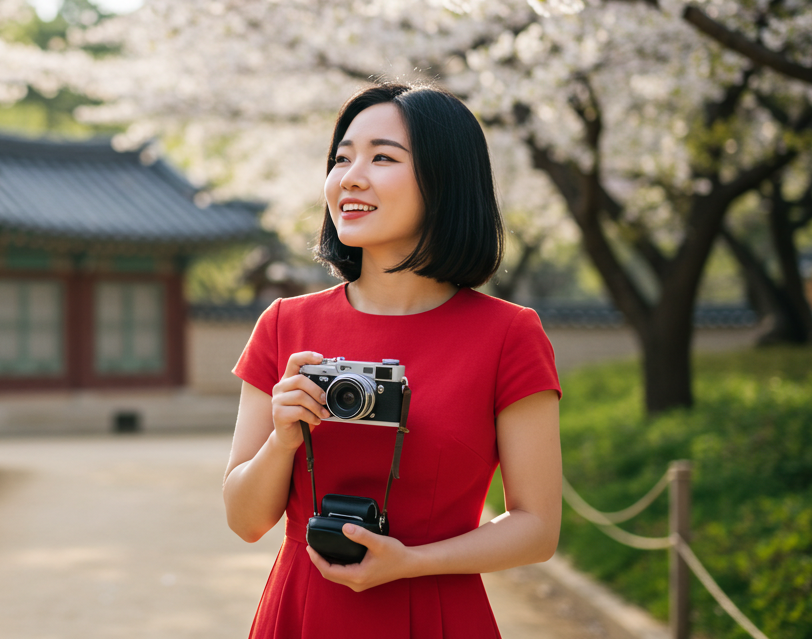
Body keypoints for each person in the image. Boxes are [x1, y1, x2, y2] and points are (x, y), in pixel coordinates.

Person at [224, 83, 562, 638]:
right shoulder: (284, 325)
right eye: (341, 158)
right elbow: (244, 520)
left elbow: (537, 528)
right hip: (302, 613)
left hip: (436, 611)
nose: (349, 178)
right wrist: (282, 439)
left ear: (444, 179)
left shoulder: (509, 335)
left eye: (382, 157)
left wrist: (412, 563)